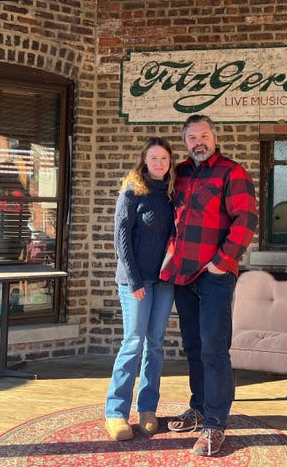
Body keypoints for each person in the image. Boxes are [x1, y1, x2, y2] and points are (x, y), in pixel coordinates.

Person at [160, 114, 257, 457]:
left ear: (214, 138)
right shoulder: (180, 173)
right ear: (184, 142)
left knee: (215, 349)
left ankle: (215, 423)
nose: (198, 142)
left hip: (215, 276)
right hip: (183, 276)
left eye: (203, 136)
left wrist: (220, 263)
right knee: (194, 347)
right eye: (191, 138)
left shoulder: (233, 172)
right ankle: (199, 406)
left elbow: (246, 222)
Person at [105, 137, 176, 442]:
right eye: (154, 158)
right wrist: (134, 282)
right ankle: (116, 412)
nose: (159, 163)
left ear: (170, 161)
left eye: (164, 158)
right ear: (144, 160)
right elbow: (121, 239)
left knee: (156, 343)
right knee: (133, 343)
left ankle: (147, 408)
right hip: (135, 281)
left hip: (164, 280)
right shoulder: (133, 192)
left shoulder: (172, 194)